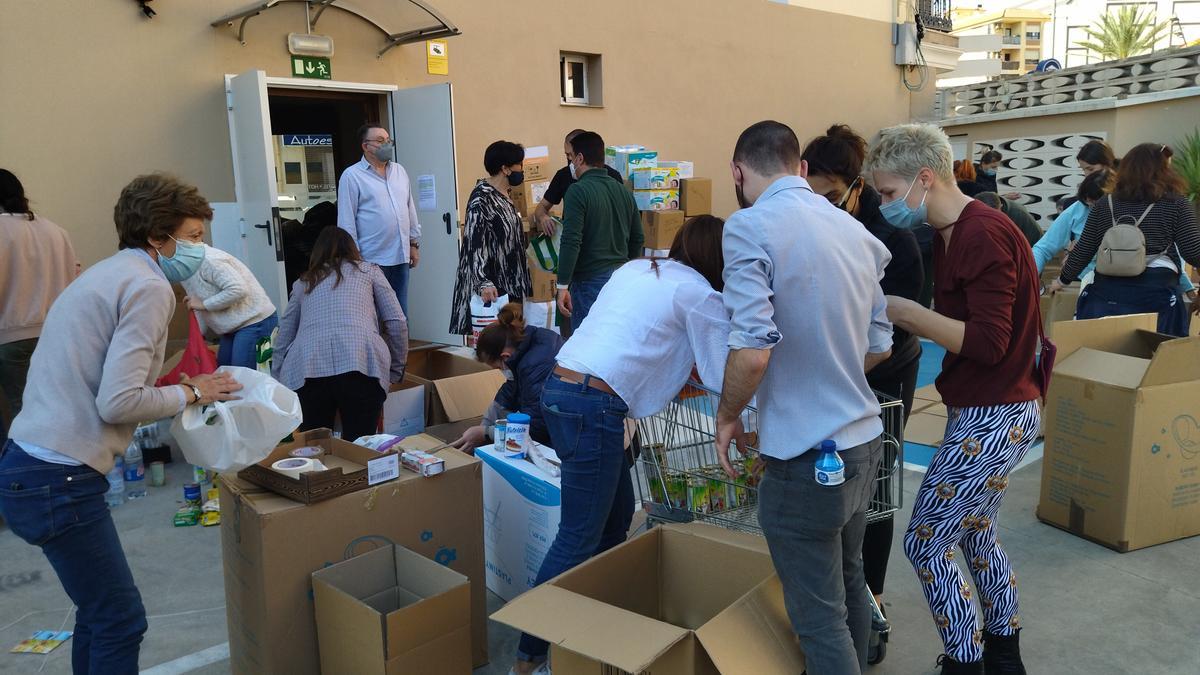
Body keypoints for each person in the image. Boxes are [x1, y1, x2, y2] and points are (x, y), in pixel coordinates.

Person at [0, 173, 242, 674]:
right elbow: (119, 401)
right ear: (158, 237)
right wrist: (195, 391)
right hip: (58, 478)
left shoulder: (111, 274)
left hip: (31, 463)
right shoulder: (149, 288)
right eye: (194, 237)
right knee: (120, 618)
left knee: (99, 611)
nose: (201, 248)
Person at [512, 215, 732, 674]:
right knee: (578, 536)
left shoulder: (636, 269)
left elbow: (633, 336)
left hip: (563, 387)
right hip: (595, 405)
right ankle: (530, 656)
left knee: (614, 523)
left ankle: (593, 626)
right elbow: (719, 373)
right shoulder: (700, 295)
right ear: (720, 260)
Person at [714, 121, 892, 675]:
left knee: (818, 617)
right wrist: (832, 372)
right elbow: (880, 342)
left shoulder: (749, 226)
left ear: (738, 172)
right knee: (849, 581)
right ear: (800, 169)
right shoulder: (853, 232)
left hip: (806, 458)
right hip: (863, 441)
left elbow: (753, 349)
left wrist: (726, 415)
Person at [867, 124, 1042, 675]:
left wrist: (908, 314)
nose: (889, 207)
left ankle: (965, 662)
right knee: (974, 529)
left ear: (925, 178)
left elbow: (989, 343)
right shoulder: (949, 233)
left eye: (891, 194)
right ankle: (1003, 651)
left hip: (996, 410)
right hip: (991, 404)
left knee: (926, 541)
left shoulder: (980, 234)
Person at [801, 123, 924, 662]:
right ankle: (835, 597)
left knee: (875, 492)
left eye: (830, 197)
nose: (820, 207)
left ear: (854, 187)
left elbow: (893, 332)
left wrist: (835, 364)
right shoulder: (816, 228)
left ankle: (870, 601)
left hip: (884, 375)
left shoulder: (896, 238)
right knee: (828, 486)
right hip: (832, 373)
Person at [273, 227, 409, 442]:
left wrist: (278, 378)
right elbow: (397, 321)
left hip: (308, 368)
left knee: (317, 446)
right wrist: (396, 369)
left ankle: (320, 473)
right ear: (353, 249)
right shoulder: (370, 272)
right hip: (363, 363)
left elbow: (284, 336)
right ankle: (359, 475)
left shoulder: (303, 283)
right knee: (361, 444)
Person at [1050, 143, 1200, 337]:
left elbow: (1084, 249)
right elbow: (1193, 251)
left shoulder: (1105, 203)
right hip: (1155, 294)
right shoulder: (1176, 204)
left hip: (1106, 293)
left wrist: (1061, 280)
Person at [0, 169, 76, 445]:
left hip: (11, 337)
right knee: (61, 405)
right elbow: (74, 281)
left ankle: (30, 474)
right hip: (57, 333)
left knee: (24, 413)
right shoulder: (56, 231)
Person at [555, 131, 644, 330]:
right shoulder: (622, 190)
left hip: (589, 281)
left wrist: (562, 285)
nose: (570, 163)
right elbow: (638, 237)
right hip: (620, 277)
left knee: (587, 345)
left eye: (570, 157)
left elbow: (571, 240)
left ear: (580, 158)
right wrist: (626, 269)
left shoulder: (577, 191)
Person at [450, 303, 563, 453]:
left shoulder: (535, 366)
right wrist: (483, 427)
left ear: (505, 356)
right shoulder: (525, 347)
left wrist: (486, 433)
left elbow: (536, 429)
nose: (500, 371)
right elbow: (510, 391)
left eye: (497, 367)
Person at [449, 141, 533, 335]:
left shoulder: (505, 195)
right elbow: (474, 243)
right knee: (495, 343)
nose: (522, 169)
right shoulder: (482, 198)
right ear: (505, 168)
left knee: (512, 340)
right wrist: (483, 282)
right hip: (493, 285)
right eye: (519, 164)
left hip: (510, 281)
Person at [337, 124, 421, 317]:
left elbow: (409, 209)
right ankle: (376, 348)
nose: (387, 145)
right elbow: (346, 220)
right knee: (372, 314)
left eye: (389, 141)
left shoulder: (400, 171)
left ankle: (399, 348)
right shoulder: (352, 176)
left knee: (399, 314)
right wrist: (353, 256)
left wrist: (414, 244)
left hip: (400, 255)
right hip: (370, 258)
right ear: (365, 146)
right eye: (381, 141)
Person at [180, 241, 278, 369]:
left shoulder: (209, 260)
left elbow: (238, 289)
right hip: (231, 327)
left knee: (245, 377)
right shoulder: (184, 270)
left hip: (255, 320)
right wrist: (197, 337)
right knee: (225, 372)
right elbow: (196, 305)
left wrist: (204, 304)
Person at [1031, 141, 1117, 274]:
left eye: (1090, 169)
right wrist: (1028, 277)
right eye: (1083, 170)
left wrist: (1079, 254)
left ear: (1108, 166)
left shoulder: (1133, 204)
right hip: (1084, 282)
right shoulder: (1078, 208)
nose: (1086, 175)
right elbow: (1043, 248)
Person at [530, 129, 626, 236]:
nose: (569, 159)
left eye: (570, 154)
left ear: (581, 155)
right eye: (566, 155)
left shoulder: (613, 177)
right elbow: (542, 206)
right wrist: (543, 217)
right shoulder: (563, 175)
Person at [975, 192, 1042, 248]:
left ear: (1001, 206)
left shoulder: (1015, 216)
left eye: (992, 216)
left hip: (1033, 244)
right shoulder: (994, 202)